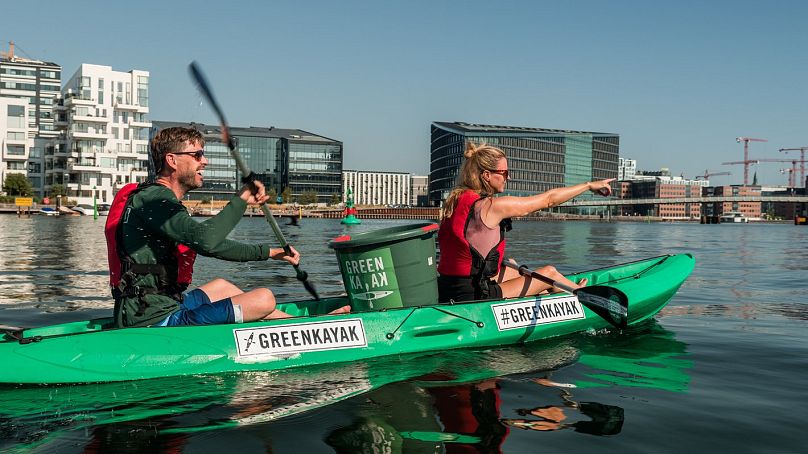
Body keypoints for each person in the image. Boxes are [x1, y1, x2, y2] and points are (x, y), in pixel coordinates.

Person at [106, 126, 348, 328]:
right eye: (197, 155)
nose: (205, 161)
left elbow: (212, 246)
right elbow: (207, 240)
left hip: (163, 304)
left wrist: (270, 253)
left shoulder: (156, 199)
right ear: (172, 160)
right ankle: (305, 329)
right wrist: (241, 199)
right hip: (153, 320)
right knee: (264, 299)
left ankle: (302, 327)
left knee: (223, 287)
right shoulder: (155, 201)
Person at [437, 142, 614, 303]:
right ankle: (586, 297)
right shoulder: (493, 206)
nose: (509, 177)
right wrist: (588, 186)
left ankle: (551, 296)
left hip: (449, 288)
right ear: (487, 175)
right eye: (504, 173)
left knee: (512, 266)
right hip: (473, 295)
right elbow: (549, 200)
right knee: (548, 273)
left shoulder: (455, 200)